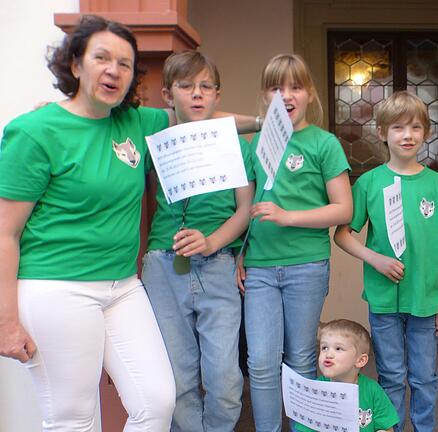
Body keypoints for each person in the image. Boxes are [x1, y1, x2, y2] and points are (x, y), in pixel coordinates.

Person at [0, 15, 177, 431]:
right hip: (56, 288)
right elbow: (4, 232)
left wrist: (266, 122)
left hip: (122, 287)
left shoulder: (137, 122)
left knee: (157, 401)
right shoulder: (34, 131)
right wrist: (6, 321)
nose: (113, 70)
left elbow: (199, 120)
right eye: (102, 58)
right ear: (76, 65)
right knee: (73, 418)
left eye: (125, 63)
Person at [334, 90, 438, 431]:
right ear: (381, 133)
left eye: (415, 128)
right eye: (398, 128)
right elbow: (343, 235)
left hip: (425, 298)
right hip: (383, 299)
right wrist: (375, 259)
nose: (407, 135)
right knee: (391, 375)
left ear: (426, 133)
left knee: (424, 376)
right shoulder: (368, 183)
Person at [141, 50, 255, 432]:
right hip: (163, 262)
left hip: (218, 263)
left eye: (206, 86)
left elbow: (244, 209)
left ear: (218, 95)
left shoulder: (236, 145)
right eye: (186, 86)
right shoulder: (154, 140)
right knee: (178, 376)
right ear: (167, 94)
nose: (197, 94)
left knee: (224, 378)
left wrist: (211, 241)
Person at [239, 53, 353, 432]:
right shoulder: (255, 144)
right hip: (259, 268)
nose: (285, 95)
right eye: (275, 87)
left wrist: (289, 217)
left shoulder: (324, 144)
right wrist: (240, 254)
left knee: (302, 358)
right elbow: (247, 206)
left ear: (310, 94)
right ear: (264, 94)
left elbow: (343, 209)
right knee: (260, 361)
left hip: (306, 265)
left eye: (295, 86)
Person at [295, 319, 400, 432]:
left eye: (338, 348)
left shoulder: (372, 390)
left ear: (360, 360)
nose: (328, 354)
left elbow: (387, 428)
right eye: (324, 347)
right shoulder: (315, 391)